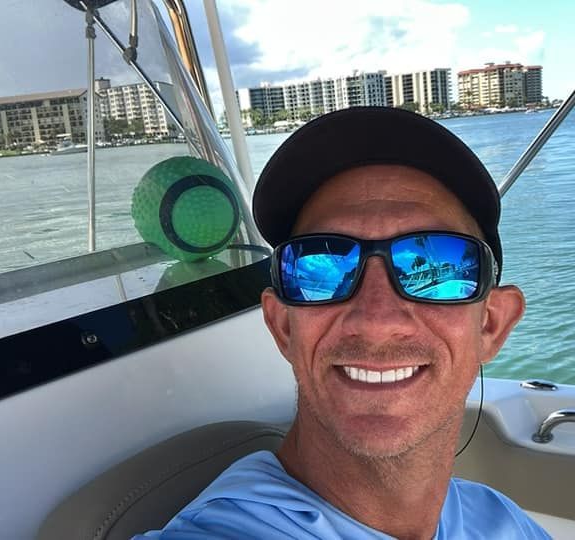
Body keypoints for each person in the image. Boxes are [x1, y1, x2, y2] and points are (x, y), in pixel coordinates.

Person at [136, 107, 550, 539]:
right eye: (323, 267)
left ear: (491, 325)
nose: (376, 320)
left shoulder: (501, 522)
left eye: (442, 270)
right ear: (284, 328)